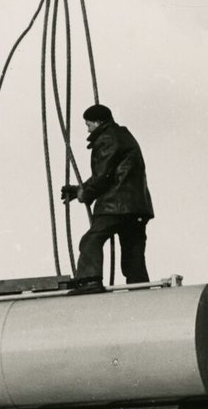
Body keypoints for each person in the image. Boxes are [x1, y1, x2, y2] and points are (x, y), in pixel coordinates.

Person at [59, 104, 153, 287]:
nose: (87, 129)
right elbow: (112, 172)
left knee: (91, 241)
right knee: (133, 250)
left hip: (115, 206)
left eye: (88, 124)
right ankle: (139, 287)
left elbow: (102, 176)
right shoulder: (124, 136)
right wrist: (80, 188)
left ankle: (89, 280)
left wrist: (83, 193)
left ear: (98, 122)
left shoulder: (107, 138)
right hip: (136, 207)